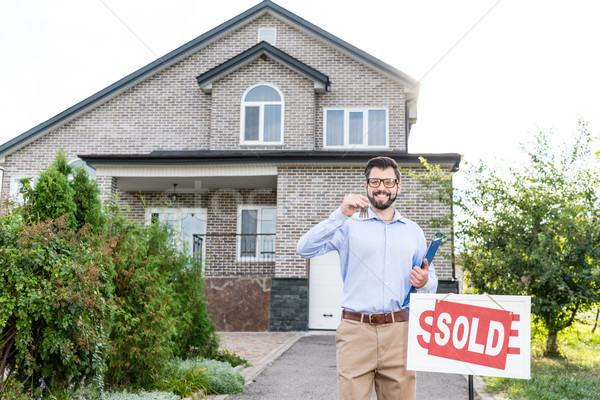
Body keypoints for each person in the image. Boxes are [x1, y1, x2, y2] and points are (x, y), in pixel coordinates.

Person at [297, 156, 438, 400]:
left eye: (388, 182)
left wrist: (424, 281)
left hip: (400, 331)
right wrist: (340, 214)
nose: (381, 187)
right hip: (356, 332)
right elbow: (304, 249)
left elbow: (430, 281)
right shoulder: (347, 225)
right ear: (366, 186)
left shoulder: (413, 231)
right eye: (375, 181)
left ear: (398, 187)